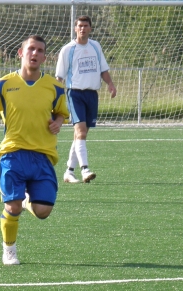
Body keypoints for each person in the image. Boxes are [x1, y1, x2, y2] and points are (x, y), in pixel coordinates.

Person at [0, 35, 70, 266]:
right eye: (31, 49)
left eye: (40, 50)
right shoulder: (4, 84)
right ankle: (9, 250)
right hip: (13, 154)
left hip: (43, 155)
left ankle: (26, 201)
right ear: (21, 53)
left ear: (44, 57)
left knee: (43, 211)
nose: (35, 53)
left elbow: (61, 112)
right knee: (12, 206)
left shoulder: (55, 87)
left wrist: (58, 122)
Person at [55, 15, 117, 184]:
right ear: (75, 29)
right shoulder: (67, 49)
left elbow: (103, 69)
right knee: (81, 132)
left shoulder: (95, 46)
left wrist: (111, 84)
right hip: (75, 94)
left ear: (90, 28)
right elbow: (59, 77)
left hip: (92, 95)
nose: (82, 28)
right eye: (80, 26)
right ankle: (85, 169)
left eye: (85, 26)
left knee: (80, 135)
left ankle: (69, 171)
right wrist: (55, 96)